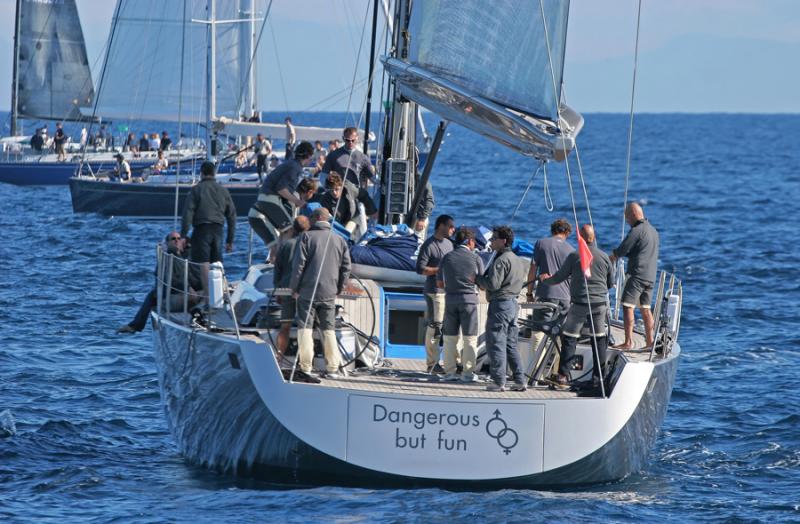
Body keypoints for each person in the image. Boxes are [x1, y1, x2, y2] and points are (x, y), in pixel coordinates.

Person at [541, 225, 614, 390]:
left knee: (570, 338)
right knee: (599, 339)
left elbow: (559, 277)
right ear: (594, 237)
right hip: (599, 305)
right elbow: (610, 283)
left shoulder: (575, 256)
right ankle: (599, 378)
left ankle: (562, 376)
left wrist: (545, 279)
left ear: (580, 238)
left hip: (579, 304)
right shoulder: (604, 257)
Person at [290, 207, 351, 378]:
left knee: (305, 329)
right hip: (329, 292)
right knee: (329, 330)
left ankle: (306, 367)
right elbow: (346, 268)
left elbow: (298, 267)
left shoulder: (306, 237)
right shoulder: (339, 240)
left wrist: (294, 288)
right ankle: (333, 368)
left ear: (316, 218)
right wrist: (339, 287)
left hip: (307, 292)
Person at [476, 225, 528, 392]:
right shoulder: (517, 259)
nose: (491, 241)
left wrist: (477, 279)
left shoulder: (501, 260)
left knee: (496, 342)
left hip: (500, 305)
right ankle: (520, 380)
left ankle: (499, 382)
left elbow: (492, 284)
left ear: (503, 241)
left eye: (494, 239)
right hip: (513, 304)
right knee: (511, 344)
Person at [117, 232, 201, 333]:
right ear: (168, 243)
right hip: (175, 294)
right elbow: (168, 279)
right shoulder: (169, 258)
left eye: (179, 238)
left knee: (152, 296)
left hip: (182, 294)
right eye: (173, 239)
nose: (176, 240)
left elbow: (191, 278)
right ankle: (135, 326)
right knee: (153, 296)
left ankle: (135, 326)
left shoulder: (184, 258)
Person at [248, 141, 314, 255]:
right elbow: (281, 189)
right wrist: (298, 201)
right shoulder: (296, 167)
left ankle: (277, 261)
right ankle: (284, 261)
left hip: (264, 197)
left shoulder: (291, 164)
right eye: (311, 157)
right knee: (290, 230)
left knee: (282, 233)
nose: (311, 160)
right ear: (308, 156)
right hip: (271, 198)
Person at [610, 202, 660, 349]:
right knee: (646, 309)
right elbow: (641, 250)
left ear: (633, 214)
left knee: (627, 306)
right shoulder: (653, 231)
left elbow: (623, 249)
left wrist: (611, 257)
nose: (627, 222)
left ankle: (628, 342)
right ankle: (650, 342)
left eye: (627, 218)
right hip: (650, 276)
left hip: (637, 275)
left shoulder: (637, 230)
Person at [437, 227, 484, 382]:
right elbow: (482, 283)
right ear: (470, 241)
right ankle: (468, 373)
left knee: (450, 338)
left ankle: (449, 372)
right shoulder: (475, 258)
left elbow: (439, 283)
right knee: (470, 338)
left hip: (450, 300)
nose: (475, 245)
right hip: (469, 302)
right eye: (474, 242)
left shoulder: (447, 257)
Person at [526, 218, 574, 358]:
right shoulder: (571, 250)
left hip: (546, 294)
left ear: (553, 230)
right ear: (566, 232)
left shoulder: (542, 243)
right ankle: (555, 372)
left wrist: (529, 293)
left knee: (539, 334)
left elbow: (532, 270)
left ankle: (535, 373)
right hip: (565, 297)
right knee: (559, 338)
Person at [416, 214, 455, 374]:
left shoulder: (450, 245)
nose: (453, 229)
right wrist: (440, 271)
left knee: (447, 327)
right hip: (434, 292)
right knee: (435, 326)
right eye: (450, 226)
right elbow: (420, 269)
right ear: (441, 226)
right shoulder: (428, 245)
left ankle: (451, 362)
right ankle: (432, 364)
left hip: (448, 292)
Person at [180, 160, 237, 267]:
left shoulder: (196, 190)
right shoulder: (223, 191)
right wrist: (230, 240)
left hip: (202, 229)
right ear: (214, 173)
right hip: (218, 230)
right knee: (217, 263)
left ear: (201, 173)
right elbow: (232, 216)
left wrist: (183, 235)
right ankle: (219, 282)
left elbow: (188, 213)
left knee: (203, 263)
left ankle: (205, 284)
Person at [272, 216, 311, 355]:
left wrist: (277, 290)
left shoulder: (286, 245)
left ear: (293, 228)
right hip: (305, 290)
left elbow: (277, 269)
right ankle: (306, 361)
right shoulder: (310, 244)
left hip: (287, 289)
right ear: (308, 227)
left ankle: (280, 356)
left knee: (285, 326)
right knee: (306, 327)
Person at [320, 127, 377, 216]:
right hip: (338, 193)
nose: (350, 143)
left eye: (353, 140)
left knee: (367, 201)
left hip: (355, 193)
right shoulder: (334, 155)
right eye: (347, 140)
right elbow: (323, 176)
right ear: (343, 139)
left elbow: (374, 178)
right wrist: (329, 189)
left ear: (357, 139)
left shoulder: (363, 158)